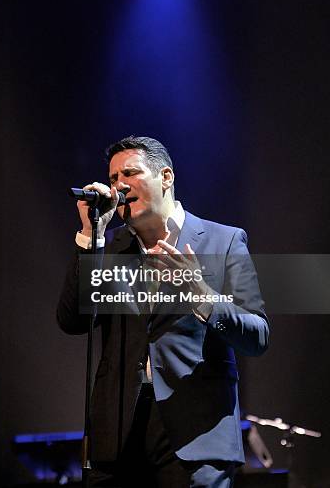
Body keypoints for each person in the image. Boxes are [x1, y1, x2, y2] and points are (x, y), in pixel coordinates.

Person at [57, 136, 269, 487]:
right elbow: (71, 321)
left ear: (166, 177)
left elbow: (257, 335)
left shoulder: (224, 241)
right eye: (112, 179)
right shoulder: (108, 248)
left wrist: (201, 294)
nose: (119, 185)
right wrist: (90, 235)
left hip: (195, 436)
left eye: (130, 173)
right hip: (118, 436)